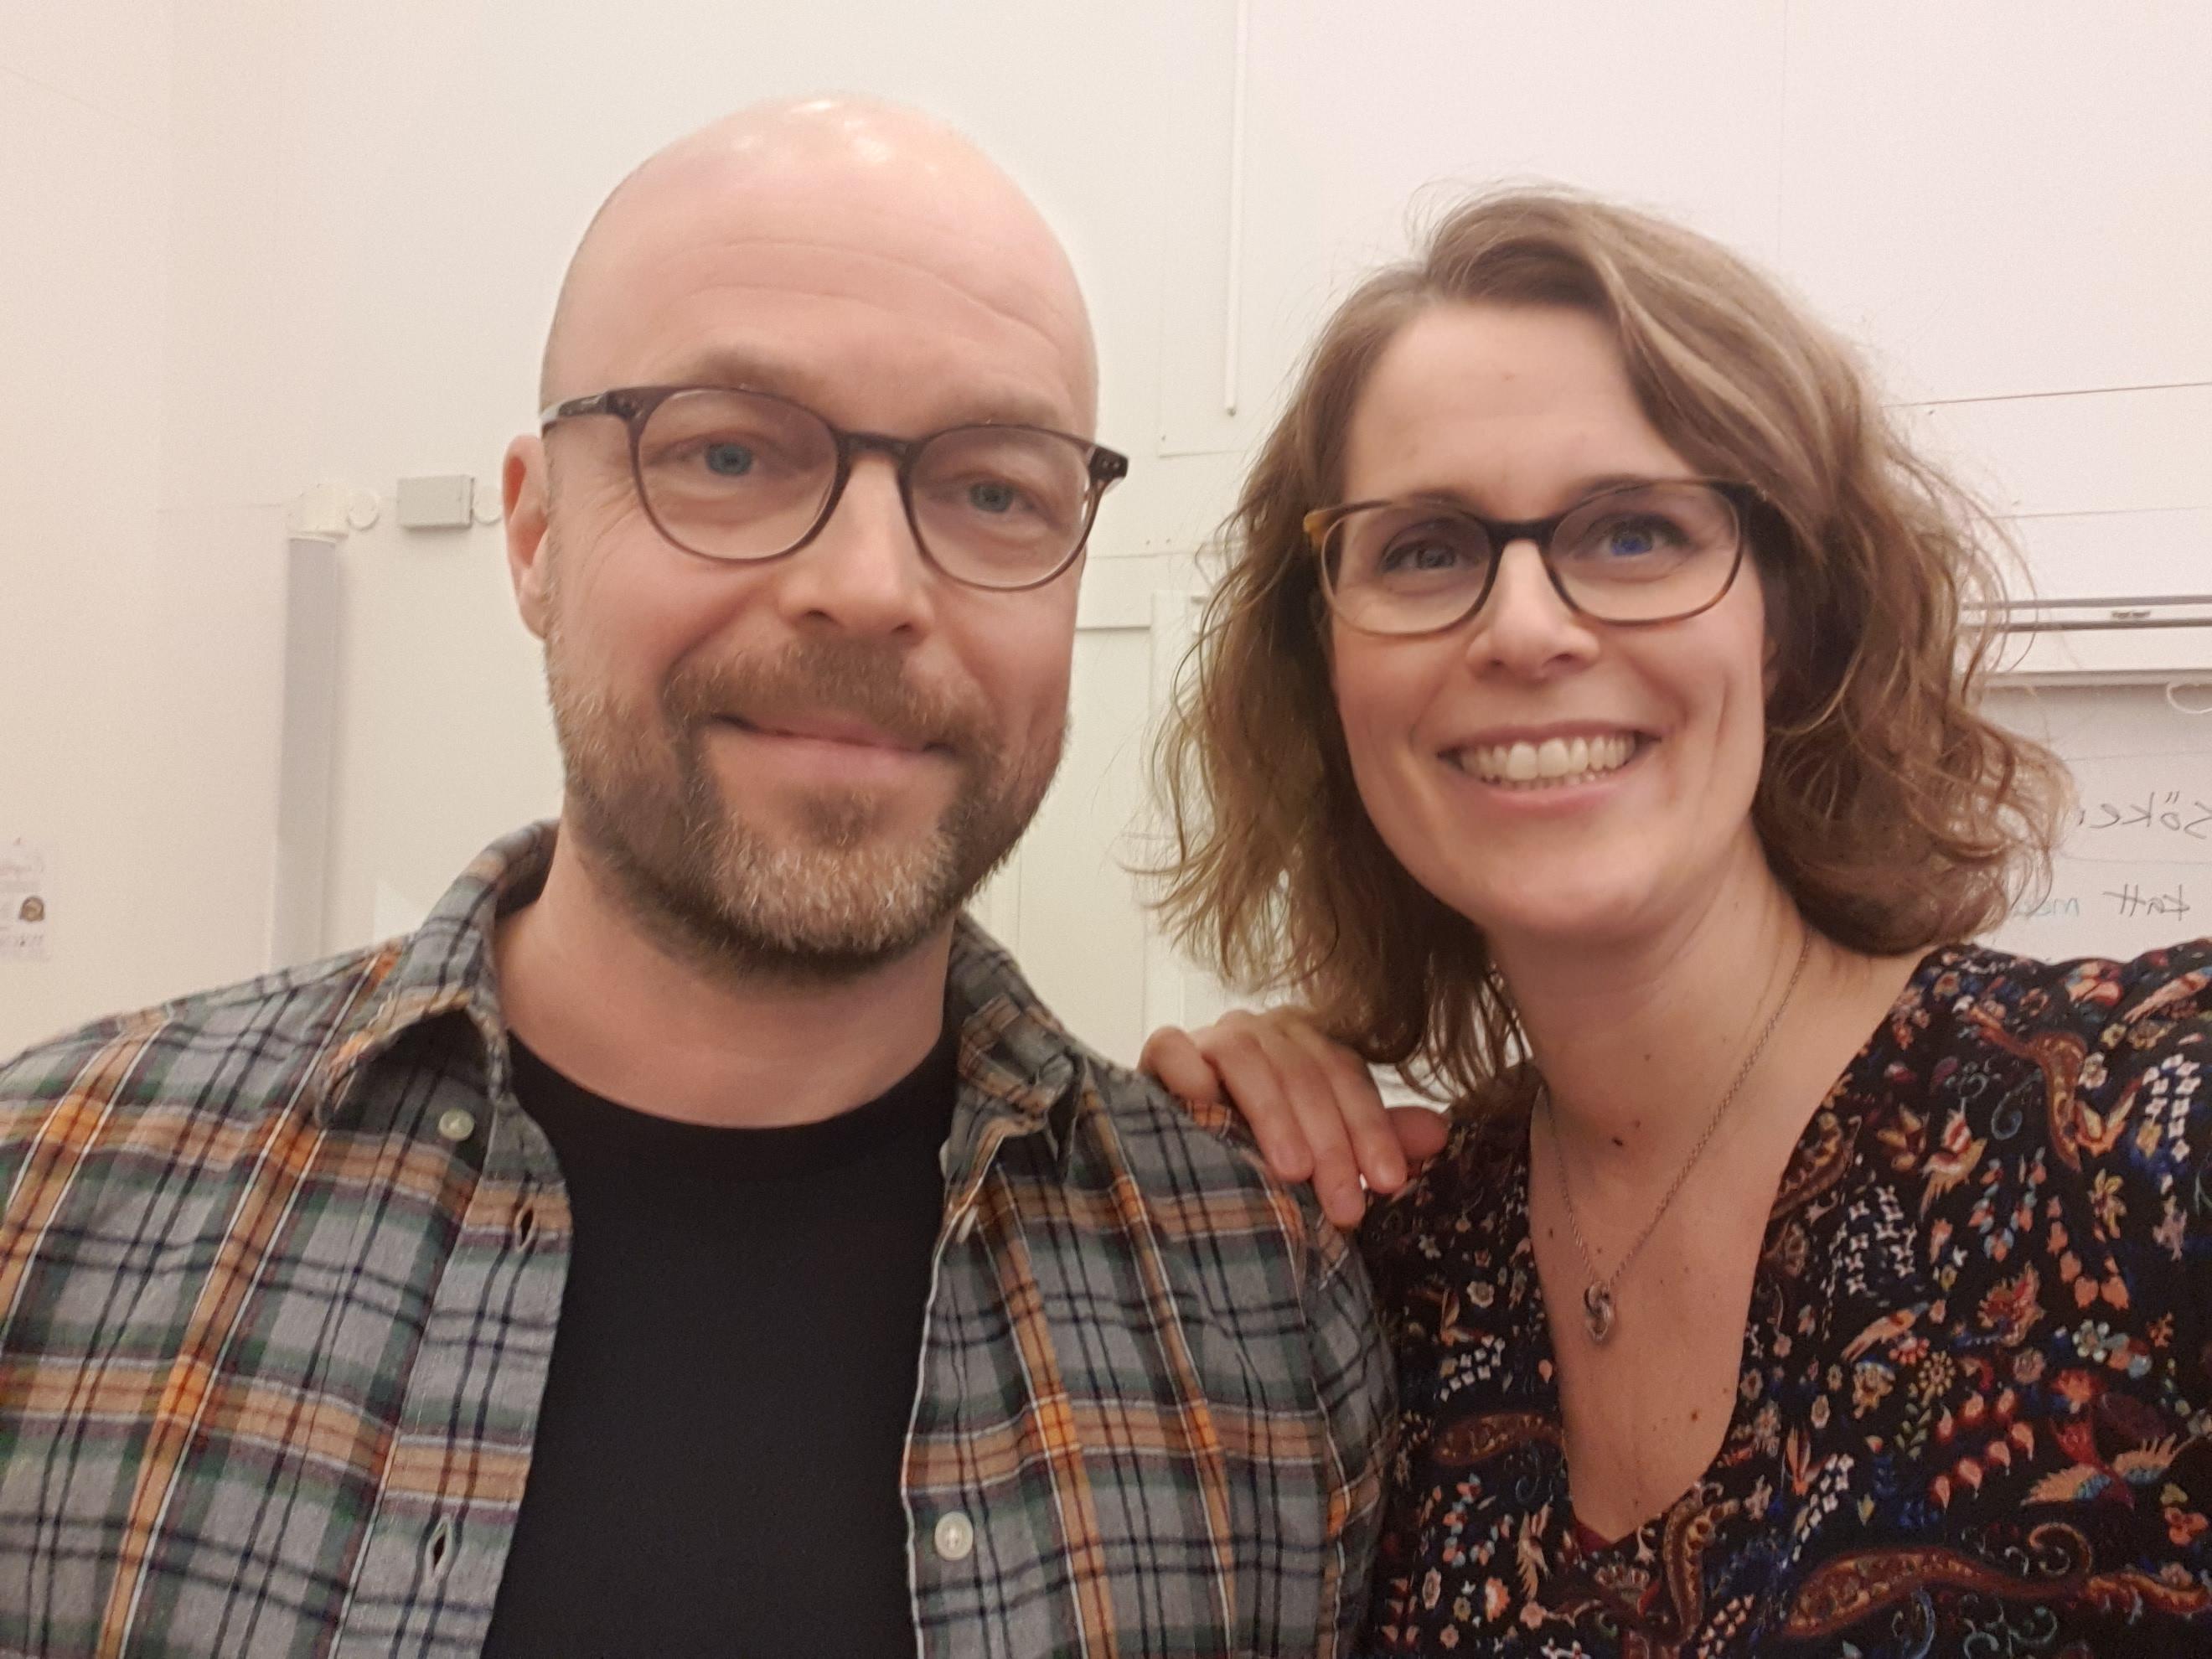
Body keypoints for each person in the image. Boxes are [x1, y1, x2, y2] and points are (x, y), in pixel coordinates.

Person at [0, 99, 1391, 1658]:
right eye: (729, 453)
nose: (869, 587)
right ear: (535, 534)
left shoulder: (1270, 1323)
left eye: (995, 489)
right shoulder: (50, 1204)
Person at [1142, 188, 2212, 1654]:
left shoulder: (2147, 1133)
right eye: (1427, 549)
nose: (1525, 628)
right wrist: (1208, 1139)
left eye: (1634, 531)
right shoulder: (1393, 1276)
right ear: (1326, 673)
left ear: (1788, 623)